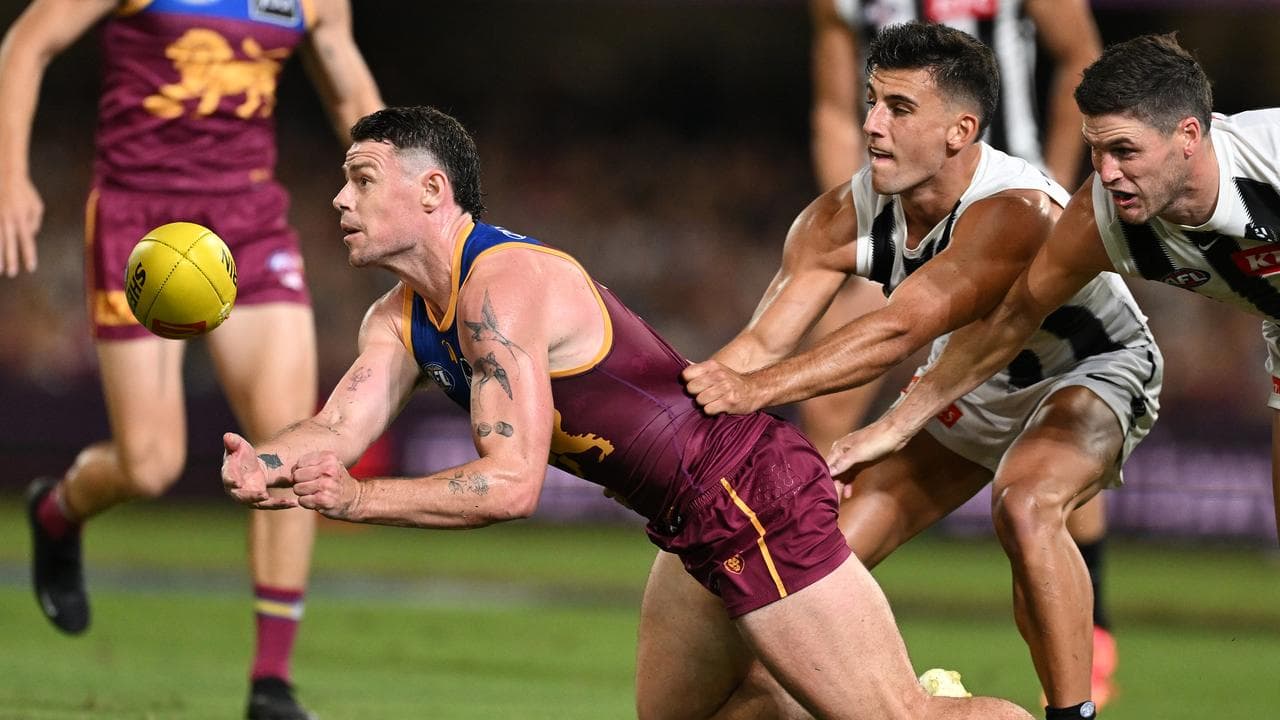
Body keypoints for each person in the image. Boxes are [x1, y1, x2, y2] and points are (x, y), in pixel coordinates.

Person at [219, 104, 1034, 720]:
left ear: (432, 190)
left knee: (901, 717)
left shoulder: (504, 286)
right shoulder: (397, 318)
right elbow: (338, 427)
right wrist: (268, 463)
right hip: (689, 519)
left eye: (362, 178)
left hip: (750, 497)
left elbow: (510, 485)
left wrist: (358, 499)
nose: (340, 198)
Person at [682, 23, 1161, 720]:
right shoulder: (841, 215)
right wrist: (669, 428)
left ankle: (1071, 715)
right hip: (971, 380)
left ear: (960, 131)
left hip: (1092, 365)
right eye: (872, 102)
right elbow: (757, 346)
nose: (872, 124)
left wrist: (753, 392)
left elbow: (898, 329)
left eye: (900, 108)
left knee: (1025, 504)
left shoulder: (1017, 209)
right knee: (803, 572)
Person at [0, 0, 382, 717]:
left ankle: (271, 684)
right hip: (138, 221)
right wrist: (9, 172)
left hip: (247, 220)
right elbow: (26, 43)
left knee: (292, 446)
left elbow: (350, 94)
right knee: (149, 464)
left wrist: (395, 196)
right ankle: (57, 512)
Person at [828, 33, 1280, 553]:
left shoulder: (1268, 156)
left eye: (1124, 150)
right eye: (1096, 150)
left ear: (1189, 135)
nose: (1106, 173)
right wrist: (894, 427)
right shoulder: (1100, 218)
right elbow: (1014, 317)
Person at [804, 1, 1120, 704]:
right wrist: (859, 222)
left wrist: (1060, 179)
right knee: (828, 399)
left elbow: (1082, 59)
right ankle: (816, 613)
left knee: (1062, 412)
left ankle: (1091, 630)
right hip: (910, 212)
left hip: (1010, 206)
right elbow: (833, 109)